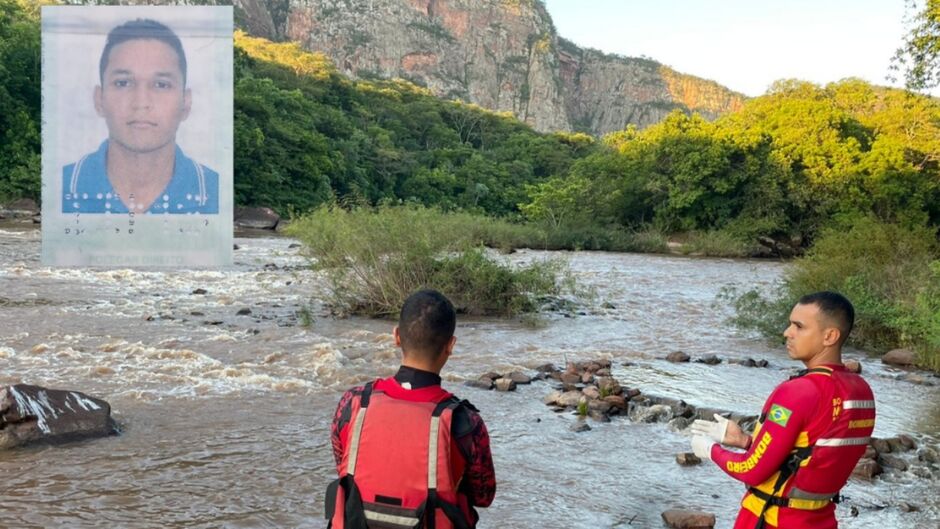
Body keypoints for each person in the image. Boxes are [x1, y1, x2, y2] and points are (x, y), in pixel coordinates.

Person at [690, 291, 876, 529]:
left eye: (799, 326)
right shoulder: (861, 390)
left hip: (771, 519)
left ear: (829, 336)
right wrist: (746, 441)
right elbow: (813, 456)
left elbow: (751, 471)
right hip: (821, 520)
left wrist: (710, 450)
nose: (787, 333)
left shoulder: (798, 392)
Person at [326, 289, 495, 529]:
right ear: (450, 345)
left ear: (396, 336)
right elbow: (483, 496)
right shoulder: (465, 421)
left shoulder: (352, 404)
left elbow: (344, 468)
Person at [61, 18, 218, 215]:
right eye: (123, 83)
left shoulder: (217, 193)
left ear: (185, 103)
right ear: (99, 100)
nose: (141, 102)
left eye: (161, 84)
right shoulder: (59, 188)